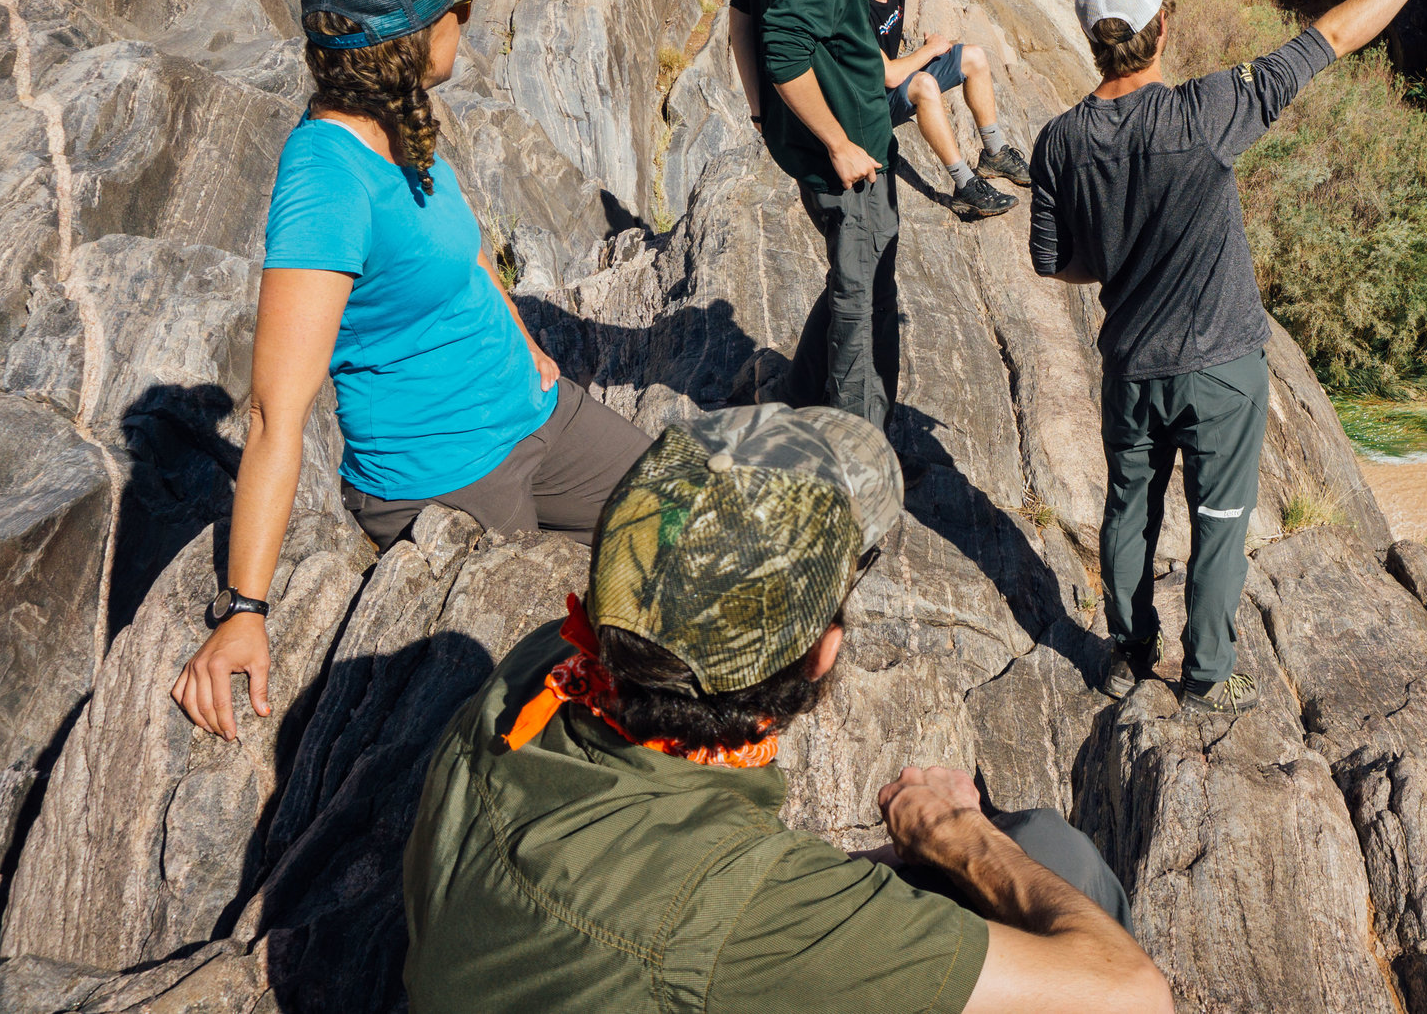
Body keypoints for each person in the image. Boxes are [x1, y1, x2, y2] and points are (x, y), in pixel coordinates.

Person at [401, 404, 1173, 1014]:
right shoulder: (732, 915)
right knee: (1053, 856)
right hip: (667, 946)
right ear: (822, 653)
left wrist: (864, 885)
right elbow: (1133, 996)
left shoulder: (547, 665)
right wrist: (953, 832)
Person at [171, 0, 653, 741]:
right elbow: (271, 414)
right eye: (452, 7)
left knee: (678, 514)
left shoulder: (401, 117)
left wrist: (520, 332)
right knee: (547, 693)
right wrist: (244, 606)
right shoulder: (325, 183)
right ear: (407, 43)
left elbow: (459, 246)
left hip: (535, 409)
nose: (465, 15)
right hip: (444, 472)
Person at [1028, 0, 1427, 718]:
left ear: (1093, 37)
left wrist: (1120, 250)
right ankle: (1207, 675)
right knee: (1219, 521)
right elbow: (1332, 37)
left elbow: (1052, 259)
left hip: (1132, 366)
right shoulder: (1208, 115)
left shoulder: (1060, 140)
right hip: (1222, 372)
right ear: (1162, 28)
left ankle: (1127, 656)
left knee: (1128, 511)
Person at [729, 0, 901, 431]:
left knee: (853, 278)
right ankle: (856, 453)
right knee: (863, 300)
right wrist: (838, 143)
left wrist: (761, 114)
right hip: (849, 156)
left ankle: (800, 394)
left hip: (828, 140)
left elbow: (742, 13)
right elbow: (783, 47)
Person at [850, 0, 1031, 222]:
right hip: (867, 107)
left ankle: (995, 153)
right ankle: (965, 186)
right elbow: (889, 76)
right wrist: (930, 50)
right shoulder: (854, 7)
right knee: (923, 84)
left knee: (972, 56)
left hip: (891, 92)